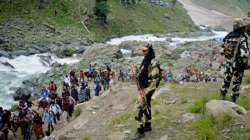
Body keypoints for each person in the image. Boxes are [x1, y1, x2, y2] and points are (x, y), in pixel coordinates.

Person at [133, 44, 161, 140]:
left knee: (138, 107)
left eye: (145, 51)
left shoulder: (153, 62)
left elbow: (155, 79)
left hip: (147, 88)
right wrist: (136, 72)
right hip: (142, 87)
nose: (143, 52)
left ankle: (140, 131)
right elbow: (142, 72)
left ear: (149, 50)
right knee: (146, 106)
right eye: (142, 51)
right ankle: (148, 125)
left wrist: (147, 92)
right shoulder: (145, 60)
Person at [220, 18, 249, 102]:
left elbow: (222, 51)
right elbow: (244, 53)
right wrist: (246, 63)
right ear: (239, 27)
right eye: (243, 27)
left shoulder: (228, 37)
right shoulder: (242, 38)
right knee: (236, 83)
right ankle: (233, 100)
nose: (244, 28)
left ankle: (222, 96)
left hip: (228, 63)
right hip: (238, 65)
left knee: (226, 80)